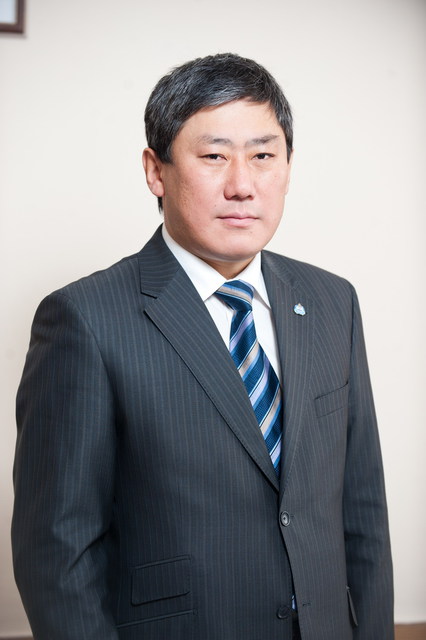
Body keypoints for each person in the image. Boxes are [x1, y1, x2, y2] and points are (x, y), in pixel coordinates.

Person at [12, 53, 393, 640]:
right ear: (156, 171)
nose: (242, 185)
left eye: (263, 156)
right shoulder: (84, 319)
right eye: (214, 156)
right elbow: (56, 552)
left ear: (288, 166)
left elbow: (363, 511)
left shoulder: (331, 301)